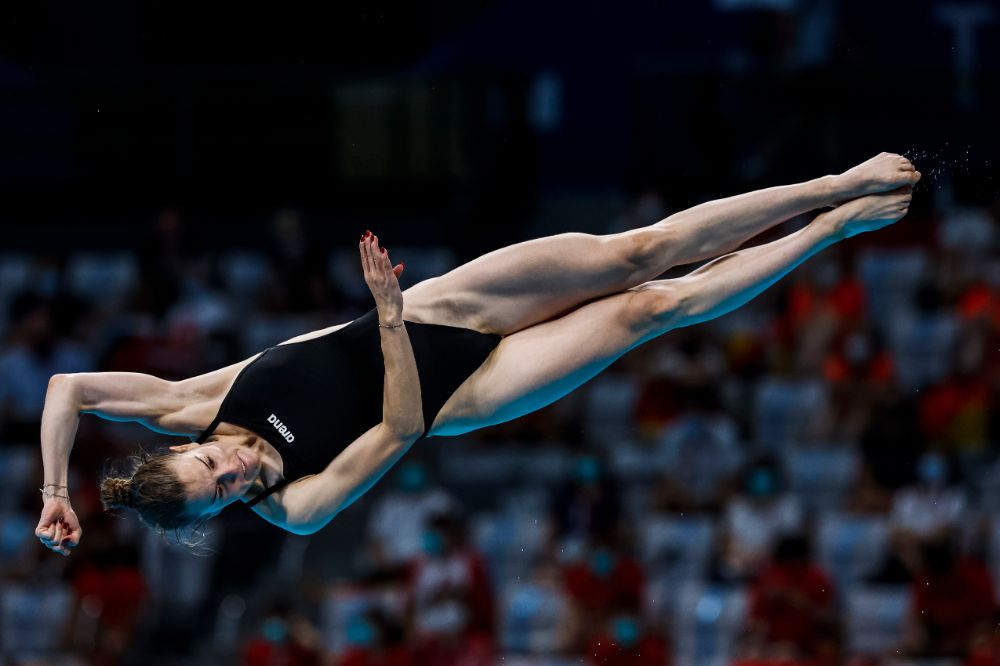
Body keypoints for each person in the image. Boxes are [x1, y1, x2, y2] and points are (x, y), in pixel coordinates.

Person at [35, 153, 921, 555]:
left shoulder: (192, 403)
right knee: (653, 309)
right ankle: (833, 229)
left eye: (212, 465)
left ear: (186, 446)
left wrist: (55, 493)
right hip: (468, 392)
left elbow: (69, 386)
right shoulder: (295, 507)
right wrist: (387, 319)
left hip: (444, 307)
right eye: (226, 492)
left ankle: (833, 183)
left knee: (636, 254)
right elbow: (399, 427)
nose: (235, 471)